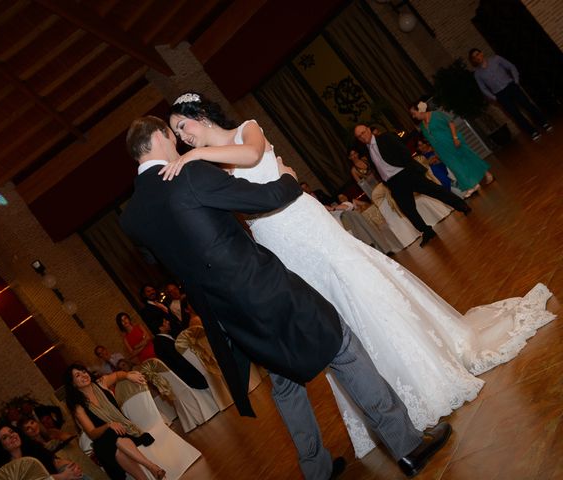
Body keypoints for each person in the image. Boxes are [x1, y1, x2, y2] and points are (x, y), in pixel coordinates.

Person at [163, 92, 555, 459]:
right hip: (275, 240)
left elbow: (250, 155)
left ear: (200, 116)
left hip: (304, 223)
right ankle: (377, 404)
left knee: (357, 285)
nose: (183, 139)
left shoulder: (244, 129)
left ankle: (417, 376)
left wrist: (197, 157)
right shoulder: (208, 164)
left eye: (183, 128)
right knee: (328, 314)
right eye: (178, 135)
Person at [120, 114, 453, 479]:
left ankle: (316, 469)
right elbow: (260, 199)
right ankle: (406, 444)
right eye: (173, 135)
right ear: (160, 137)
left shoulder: (131, 217)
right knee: (342, 346)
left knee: (284, 381)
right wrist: (289, 179)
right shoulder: (189, 173)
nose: (178, 143)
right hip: (262, 286)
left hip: (225, 312)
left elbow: (159, 256)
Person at [353, 123, 471, 247]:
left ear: (368, 130)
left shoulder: (386, 137)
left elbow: (404, 151)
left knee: (435, 190)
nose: (362, 136)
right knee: (408, 210)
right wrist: (386, 182)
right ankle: (427, 231)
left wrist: (407, 168)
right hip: (393, 183)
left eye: (363, 132)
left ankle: (462, 206)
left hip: (406, 173)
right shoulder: (367, 150)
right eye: (359, 136)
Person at [64, 364, 165, 480]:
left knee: (116, 444)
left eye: (84, 371)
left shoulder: (101, 383)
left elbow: (117, 375)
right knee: (111, 436)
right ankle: (152, 467)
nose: (83, 375)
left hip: (123, 430)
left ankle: (147, 475)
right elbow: (92, 433)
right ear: (72, 383)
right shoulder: (78, 406)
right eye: (78, 375)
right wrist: (108, 425)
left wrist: (128, 375)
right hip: (103, 440)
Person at [410, 101, 494, 197]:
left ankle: (487, 174)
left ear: (420, 110)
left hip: (453, 142)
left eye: (414, 113)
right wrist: (436, 152)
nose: (413, 116)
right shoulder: (422, 126)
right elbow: (430, 140)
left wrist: (455, 138)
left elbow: (451, 123)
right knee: (456, 167)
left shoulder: (436, 114)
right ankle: (471, 185)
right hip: (442, 150)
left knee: (469, 158)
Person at [469, 48, 553, 141]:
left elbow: (511, 66)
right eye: (474, 57)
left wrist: (516, 81)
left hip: (511, 87)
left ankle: (544, 123)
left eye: (477, 54)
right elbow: (483, 88)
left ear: (482, 53)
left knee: (527, 105)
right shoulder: (477, 74)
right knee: (515, 114)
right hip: (500, 95)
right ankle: (532, 132)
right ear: (473, 60)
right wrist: (494, 97)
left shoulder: (496, 59)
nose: (477, 57)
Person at [0, 424, 86, 480]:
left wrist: (71, 467)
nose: (11, 436)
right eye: (5, 437)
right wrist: (63, 476)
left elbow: (54, 462)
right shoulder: (8, 471)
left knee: (75, 473)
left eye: (11, 432)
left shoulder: (33, 448)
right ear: (1, 446)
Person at [152, 318, 209, 389]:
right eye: (165, 322)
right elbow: (179, 359)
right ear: (161, 328)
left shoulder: (162, 339)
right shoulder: (161, 342)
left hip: (190, 373)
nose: (168, 322)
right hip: (191, 376)